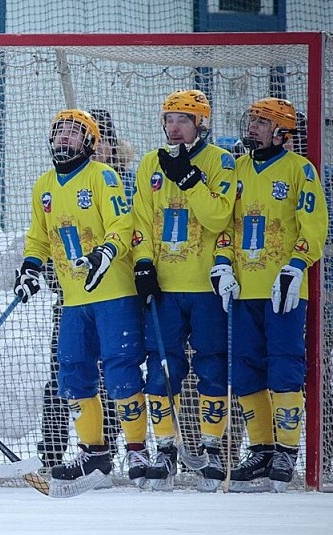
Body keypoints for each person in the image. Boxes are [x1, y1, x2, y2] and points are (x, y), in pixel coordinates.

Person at [13, 109, 147, 490]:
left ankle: (136, 450)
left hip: (114, 295)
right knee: (73, 373)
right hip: (73, 299)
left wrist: (104, 253)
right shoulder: (43, 186)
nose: (65, 138)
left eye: (74, 132)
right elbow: (38, 237)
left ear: (89, 143)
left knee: (121, 372)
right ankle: (94, 453)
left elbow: (123, 225)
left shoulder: (103, 176)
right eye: (60, 132)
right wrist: (30, 268)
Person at [131, 89, 236, 492]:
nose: (174, 126)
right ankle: (167, 450)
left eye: (184, 119)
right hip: (165, 287)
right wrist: (143, 262)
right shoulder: (148, 164)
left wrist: (190, 179)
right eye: (169, 118)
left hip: (206, 286)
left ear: (201, 125)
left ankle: (212, 450)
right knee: (161, 366)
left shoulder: (221, 162)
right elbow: (140, 217)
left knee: (212, 365)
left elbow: (219, 218)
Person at [222, 98, 328, 492]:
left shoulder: (300, 170)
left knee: (284, 367)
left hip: (282, 290)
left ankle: (287, 451)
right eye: (250, 119)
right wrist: (221, 263)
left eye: (262, 122)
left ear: (283, 132)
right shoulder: (237, 169)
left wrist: (295, 267)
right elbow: (225, 225)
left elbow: (314, 227)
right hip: (242, 289)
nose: (252, 127)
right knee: (245, 370)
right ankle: (261, 449)